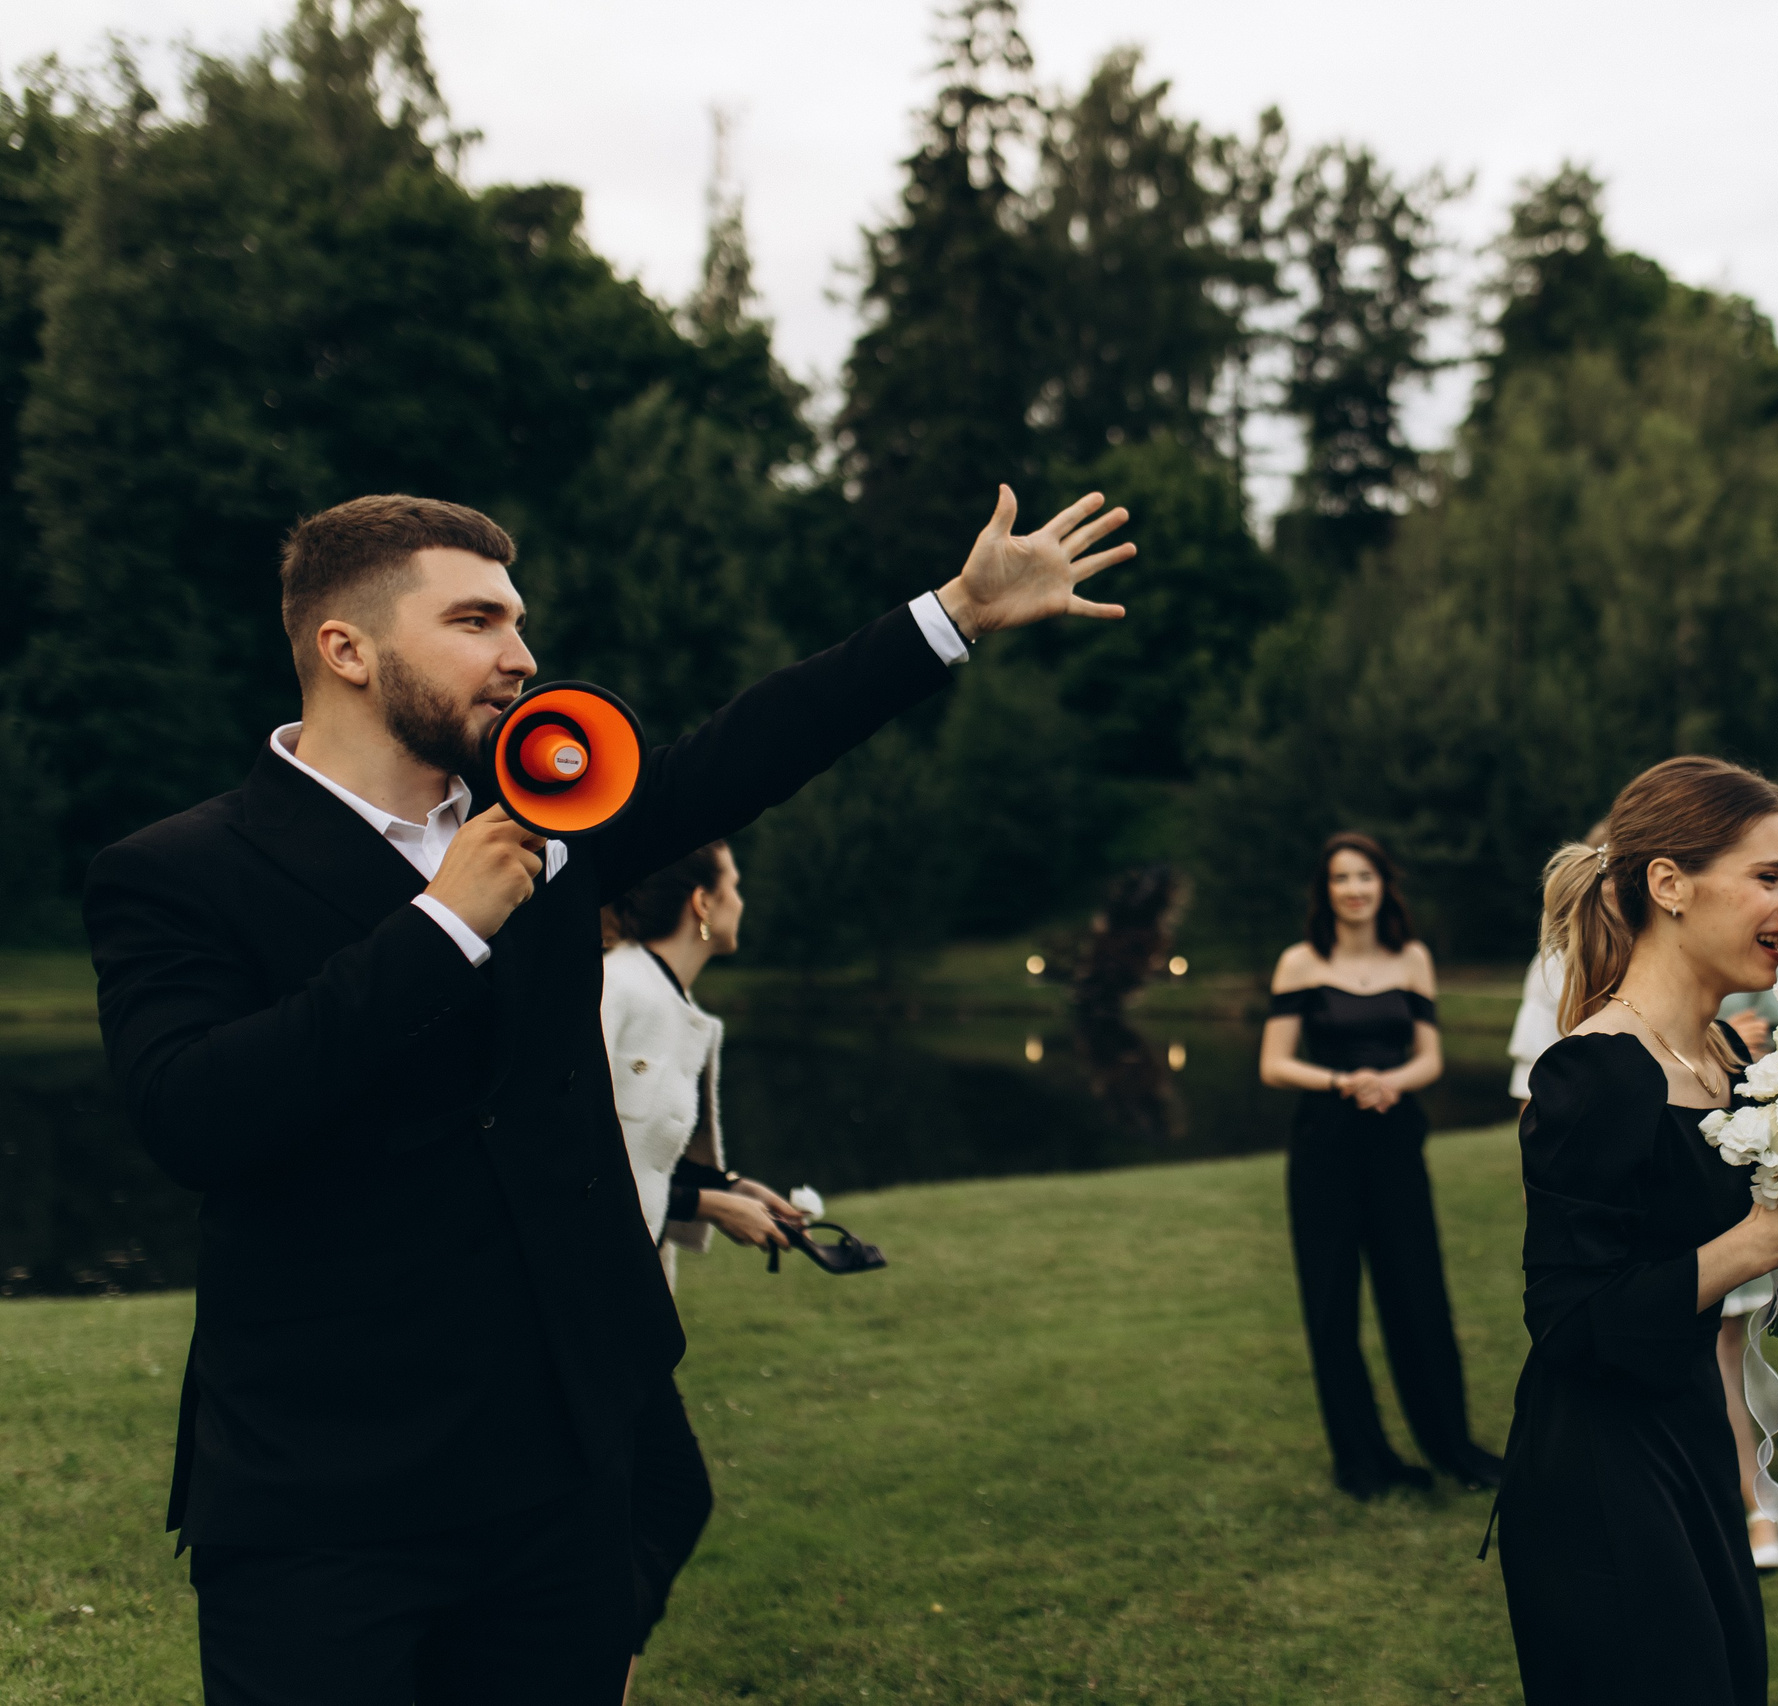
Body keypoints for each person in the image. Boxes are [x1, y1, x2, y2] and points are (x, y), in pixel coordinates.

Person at [84, 485, 1132, 1704]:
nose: (521, 657)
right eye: (477, 621)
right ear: (346, 647)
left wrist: (951, 614)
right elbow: (194, 1115)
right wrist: (441, 924)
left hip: (562, 1466)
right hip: (326, 1493)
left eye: (519, 623)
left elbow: (738, 755)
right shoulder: (174, 871)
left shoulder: (552, 816)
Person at [1496, 757, 1778, 1705]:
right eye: (1770, 878)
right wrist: (1757, 1241)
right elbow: (1569, 1321)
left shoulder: (1729, 1057)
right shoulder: (1594, 1072)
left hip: (1695, 1437)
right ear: (1669, 885)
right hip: (1600, 1470)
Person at [598, 841, 810, 1688]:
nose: (741, 900)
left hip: (629, 1311)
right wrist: (708, 1205)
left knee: (638, 1508)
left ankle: (599, 1669)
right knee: (667, 1497)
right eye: (735, 884)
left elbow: (645, 1151)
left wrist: (727, 1185)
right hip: (590, 1311)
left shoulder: (669, 999)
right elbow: (584, 1152)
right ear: (700, 903)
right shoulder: (619, 990)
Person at [1259, 833, 1505, 1498]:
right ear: (1326, 892)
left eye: (1364, 876)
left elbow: (1431, 1057)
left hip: (1396, 1137)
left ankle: (1452, 1447)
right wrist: (1344, 1080)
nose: (1354, 889)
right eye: (1340, 878)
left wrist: (1392, 1082)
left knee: (1418, 1295)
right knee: (1332, 1303)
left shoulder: (1412, 959)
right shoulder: (1300, 964)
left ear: (1382, 885)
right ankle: (1363, 1462)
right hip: (1324, 1143)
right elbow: (1274, 1062)